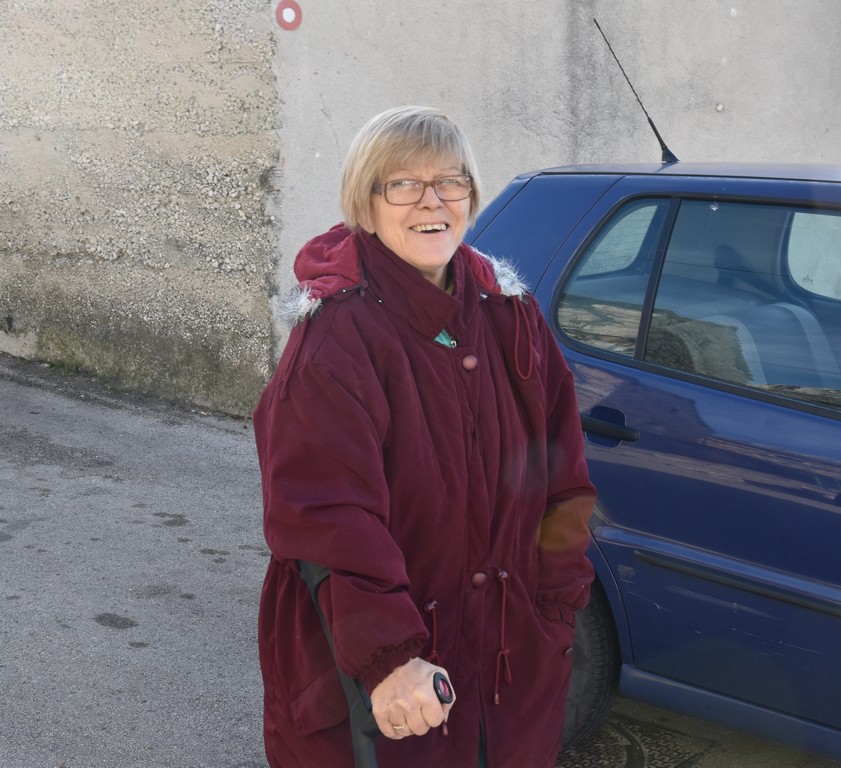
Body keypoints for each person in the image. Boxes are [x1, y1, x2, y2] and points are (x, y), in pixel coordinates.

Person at [253, 105, 596, 768]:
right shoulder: (338, 337)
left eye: (449, 181)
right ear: (366, 202)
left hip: (509, 665)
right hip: (387, 681)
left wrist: (556, 603)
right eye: (403, 183)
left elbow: (563, 476)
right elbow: (326, 516)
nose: (431, 201)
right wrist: (388, 656)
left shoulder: (512, 316)